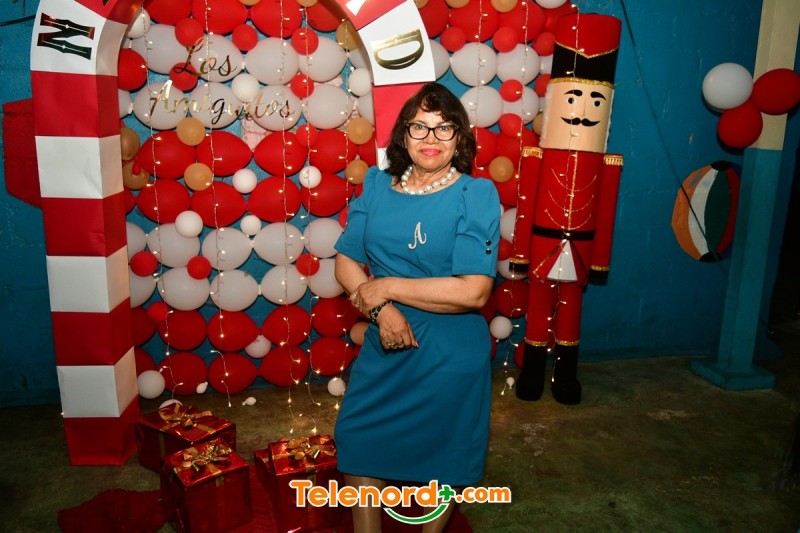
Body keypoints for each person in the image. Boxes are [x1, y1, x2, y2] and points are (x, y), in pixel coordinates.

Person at [333, 82, 501, 532]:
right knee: (357, 438)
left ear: (460, 138)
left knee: (446, 453)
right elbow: (346, 262)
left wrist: (387, 286)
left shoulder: (475, 195)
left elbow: (474, 292)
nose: (431, 138)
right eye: (419, 127)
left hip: (449, 351)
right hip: (386, 340)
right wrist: (380, 311)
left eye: (444, 128)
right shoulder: (376, 185)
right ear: (402, 135)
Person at [510, 13, 623, 405]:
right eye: (573, 98)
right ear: (557, 99)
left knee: (572, 310)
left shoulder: (608, 165)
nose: (582, 109)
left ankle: (566, 375)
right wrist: (521, 253)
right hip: (543, 247)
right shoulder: (537, 157)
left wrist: (600, 260)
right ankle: (532, 374)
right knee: (538, 308)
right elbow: (526, 207)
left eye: (595, 100)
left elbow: (605, 214)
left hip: (581, 249)